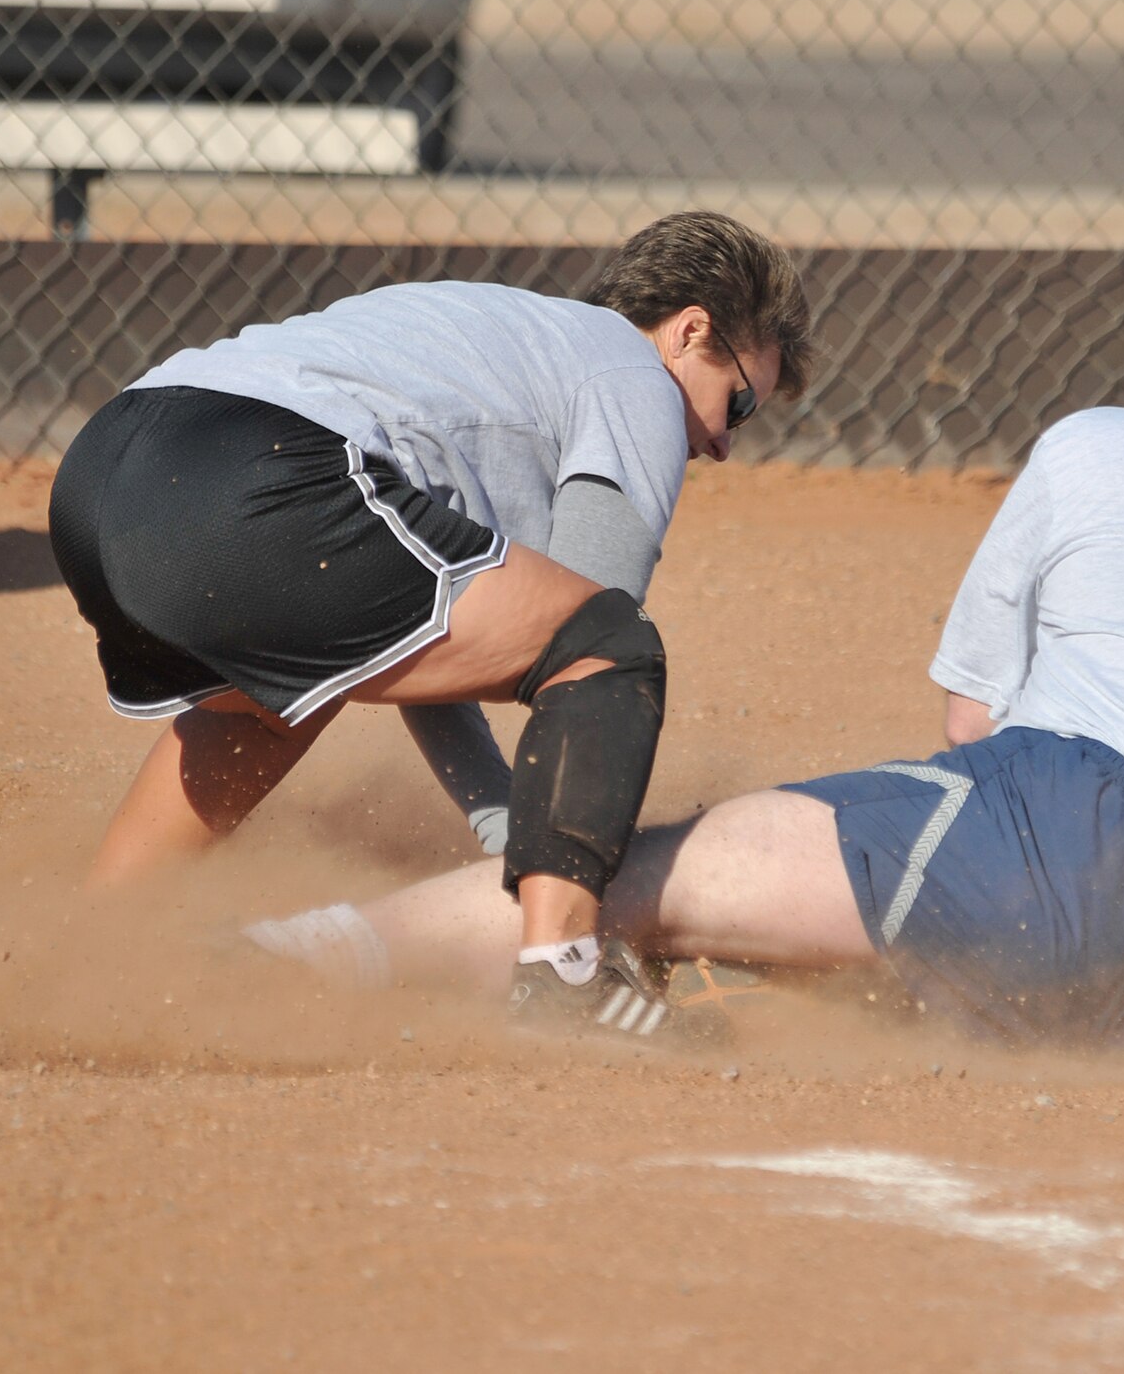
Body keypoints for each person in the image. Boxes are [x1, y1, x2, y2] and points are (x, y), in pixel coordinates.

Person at [244, 280, 1124, 1046]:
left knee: (623, 877)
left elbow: (976, 720)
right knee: (926, 933)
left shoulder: (1107, 440)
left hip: (1069, 831)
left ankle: (281, 966)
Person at [50, 211, 815, 1035]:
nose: (725, 444)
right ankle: (564, 974)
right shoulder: (633, 376)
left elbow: (439, 626)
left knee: (280, 702)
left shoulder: (517, 343)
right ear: (688, 331)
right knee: (611, 646)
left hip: (107, 472)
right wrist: (553, 863)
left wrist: (503, 824)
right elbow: (589, 638)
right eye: (736, 404)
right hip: (255, 477)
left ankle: (89, 953)